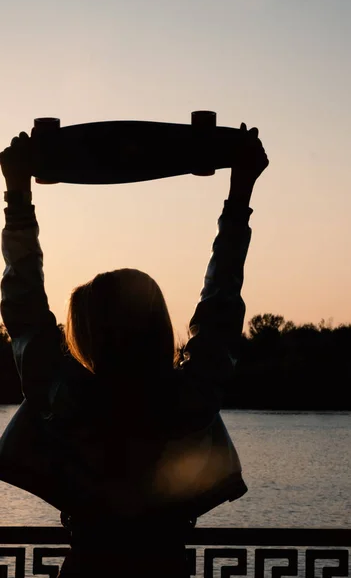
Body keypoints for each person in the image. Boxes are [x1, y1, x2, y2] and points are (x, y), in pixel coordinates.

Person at [0, 123, 268, 577]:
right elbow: (221, 300)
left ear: (89, 335)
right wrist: (239, 192)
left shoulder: (66, 399)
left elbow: (24, 308)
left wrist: (18, 195)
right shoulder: (189, 399)